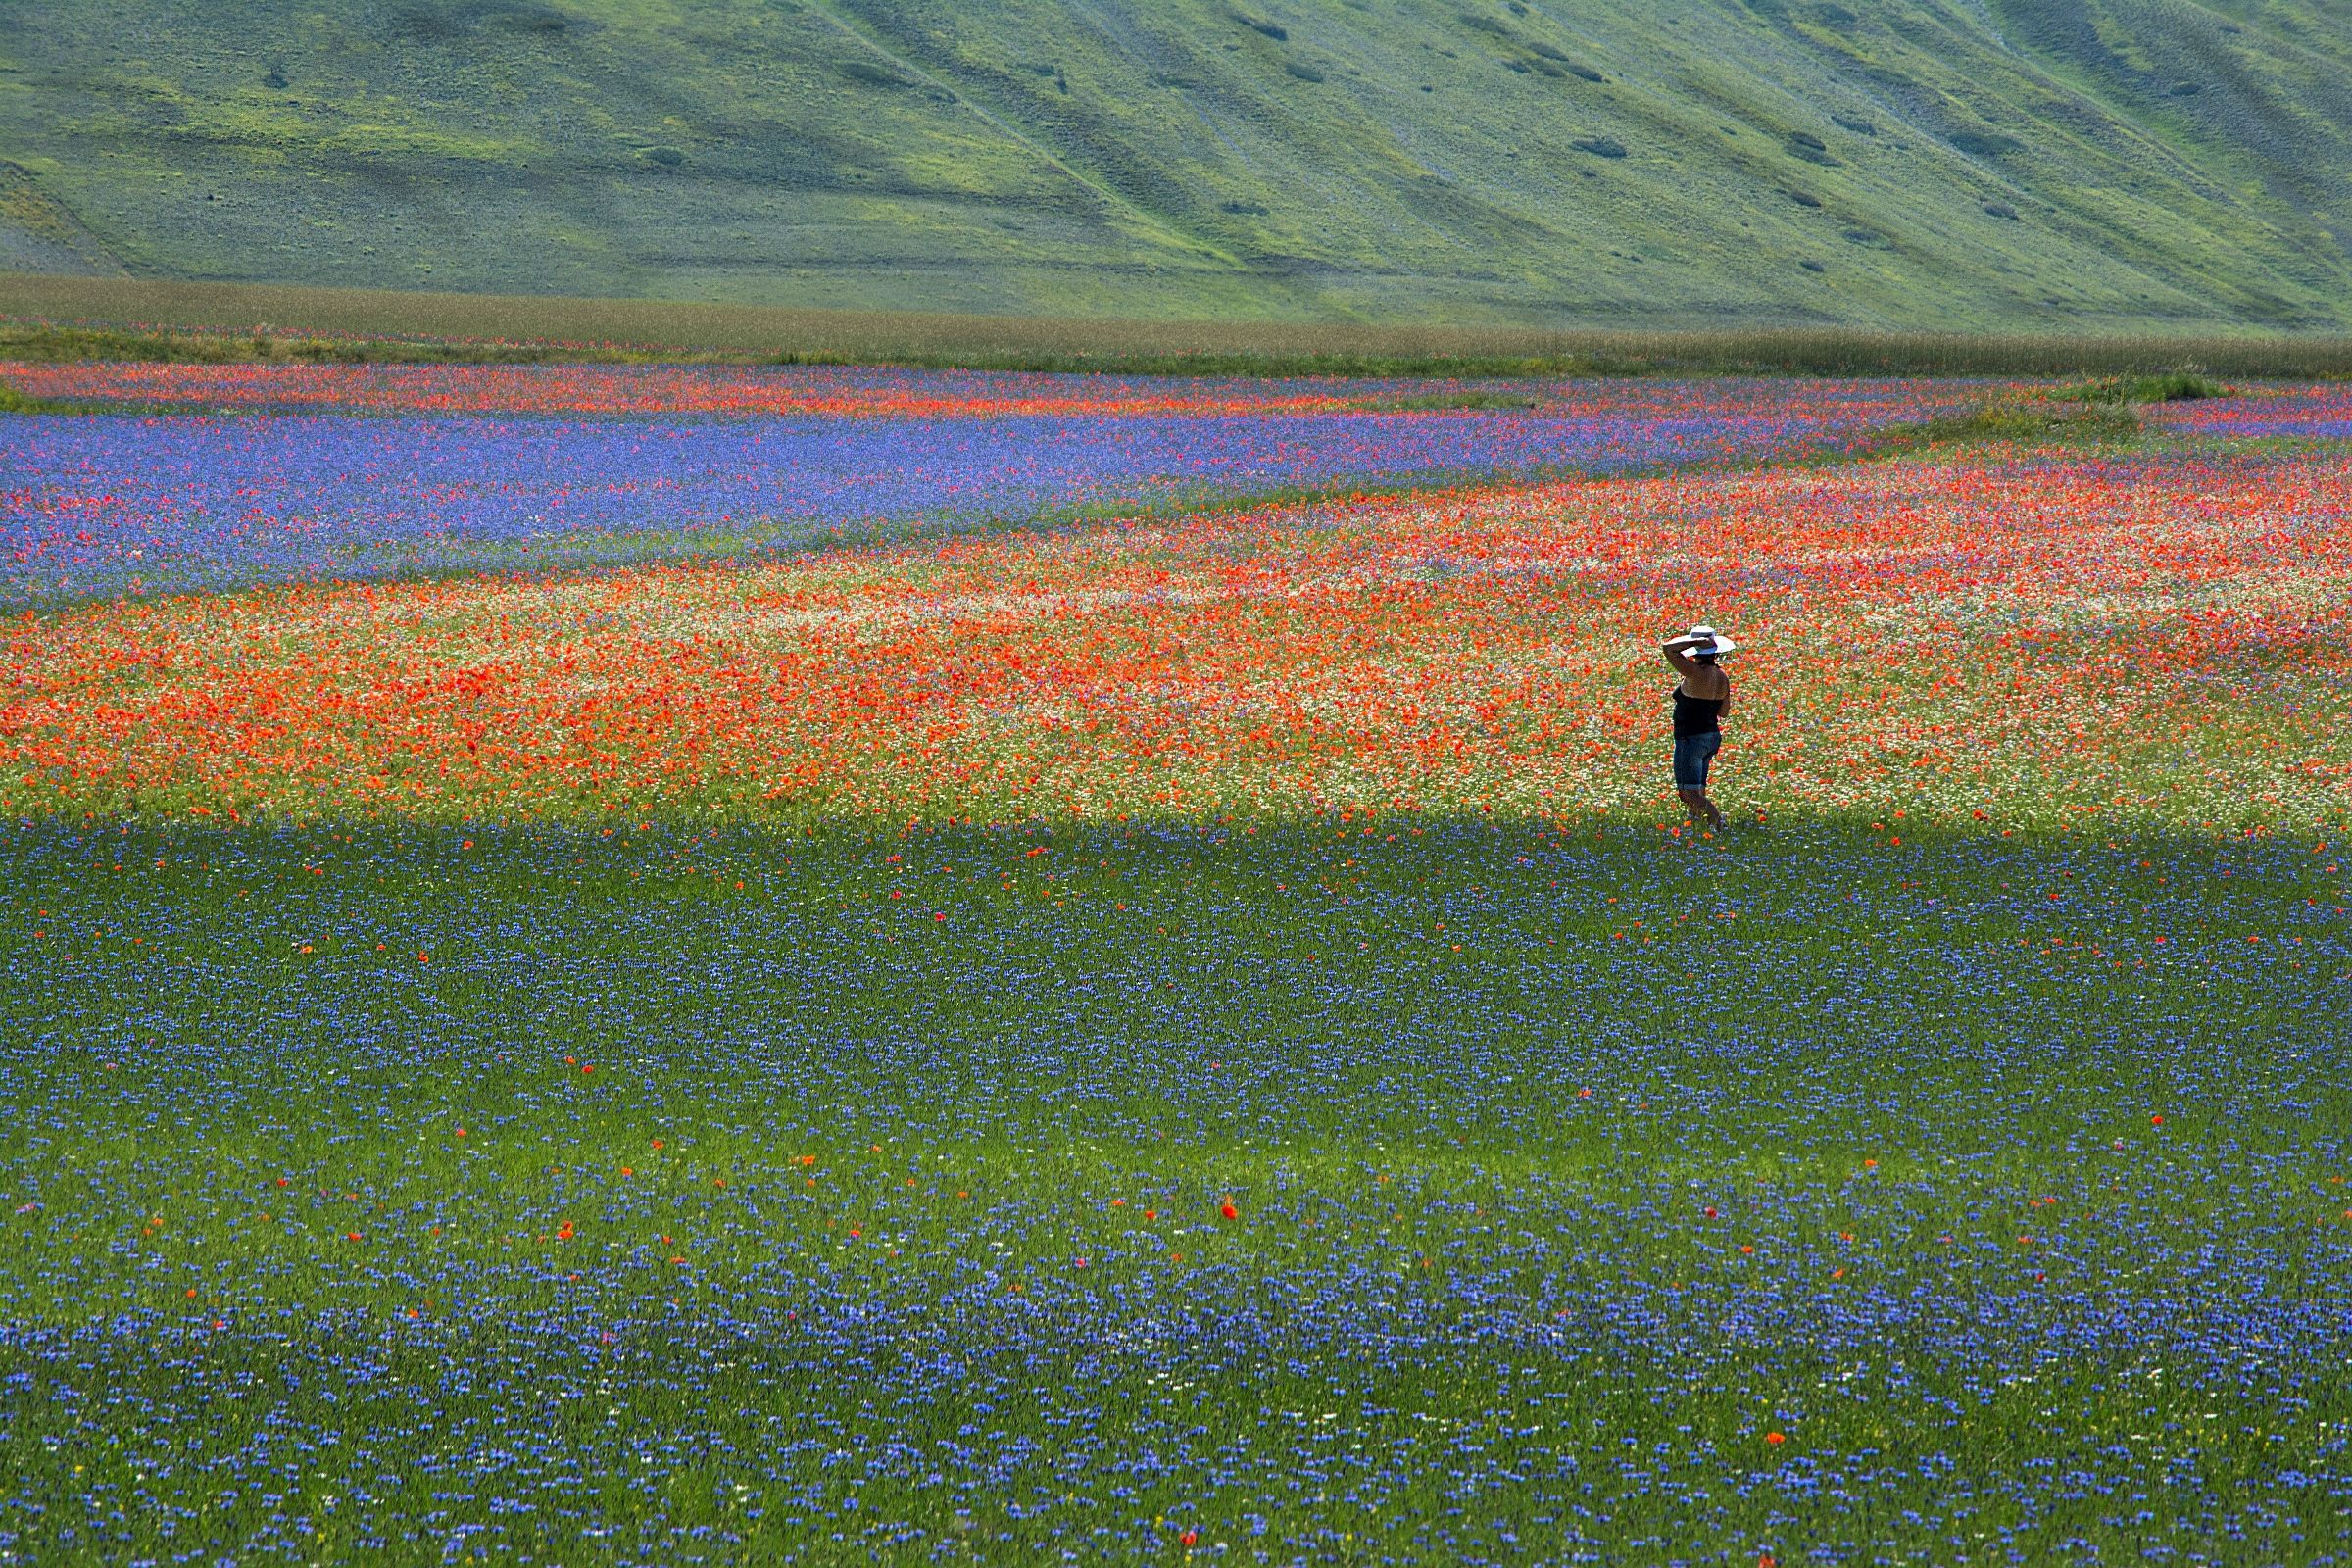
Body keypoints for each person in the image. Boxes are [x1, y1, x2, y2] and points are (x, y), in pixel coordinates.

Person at [1661, 623, 1736, 831]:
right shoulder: (1722, 677)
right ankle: (1696, 827)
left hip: (1691, 737)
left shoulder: (1694, 672)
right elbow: (1723, 712)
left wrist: (1695, 643)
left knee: (1688, 794)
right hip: (1711, 737)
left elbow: (1668, 648)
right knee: (1698, 791)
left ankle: (1719, 825)